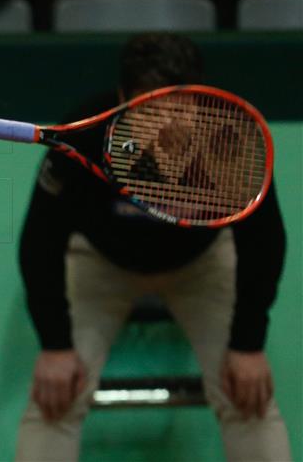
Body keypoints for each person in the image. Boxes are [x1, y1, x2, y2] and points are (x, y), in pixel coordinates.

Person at [15, 33, 291, 461]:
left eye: (182, 104)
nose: (168, 121)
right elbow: (40, 241)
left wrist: (249, 346)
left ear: (201, 97)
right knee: (55, 398)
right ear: (124, 98)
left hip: (202, 265)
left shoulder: (230, 140)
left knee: (249, 396)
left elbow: (264, 241)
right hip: (99, 263)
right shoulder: (84, 134)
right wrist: (55, 347)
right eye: (151, 106)